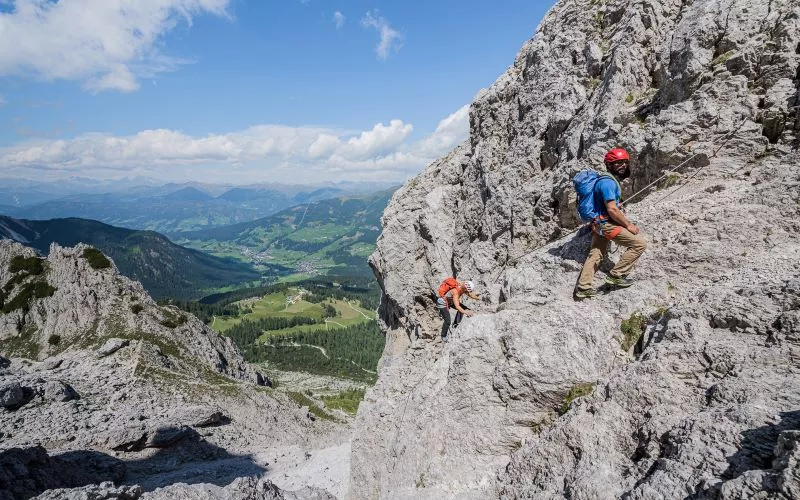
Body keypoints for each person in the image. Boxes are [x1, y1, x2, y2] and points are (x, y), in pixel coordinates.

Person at [574, 148, 648, 300]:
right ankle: (616, 275)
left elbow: (608, 206)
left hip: (598, 223)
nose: (622, 166)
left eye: (624, 162)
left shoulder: (604, 181)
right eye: (617, 163)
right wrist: (628, 225)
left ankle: (583, 287)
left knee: (596, 253)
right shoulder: (608, 183)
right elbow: (612, 210)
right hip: (607, 224)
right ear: (609, 165)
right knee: (639, 244)